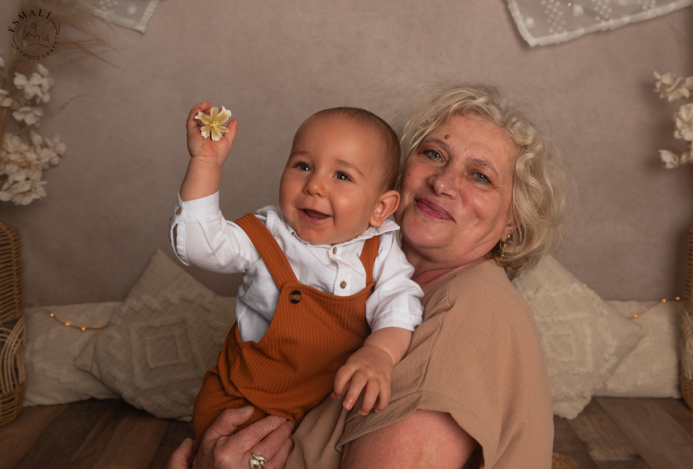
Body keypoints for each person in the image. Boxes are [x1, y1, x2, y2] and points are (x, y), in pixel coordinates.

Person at [169, 82, 570, 469]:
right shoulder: (367, 267)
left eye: (480, 176)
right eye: (433, 154)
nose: (443, 182)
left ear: (511, 223)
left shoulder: (471, 309)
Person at [169, 105, 425, 445]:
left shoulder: (380, 250)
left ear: (380, 208)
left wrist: (379, 354)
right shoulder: (268, 234)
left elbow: (398, 304)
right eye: (303, 166)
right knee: (227, 450)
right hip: (243, 400)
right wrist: (205, 164)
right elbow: (200, 245)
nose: (314, 185)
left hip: (324, 410)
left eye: (342, 176)